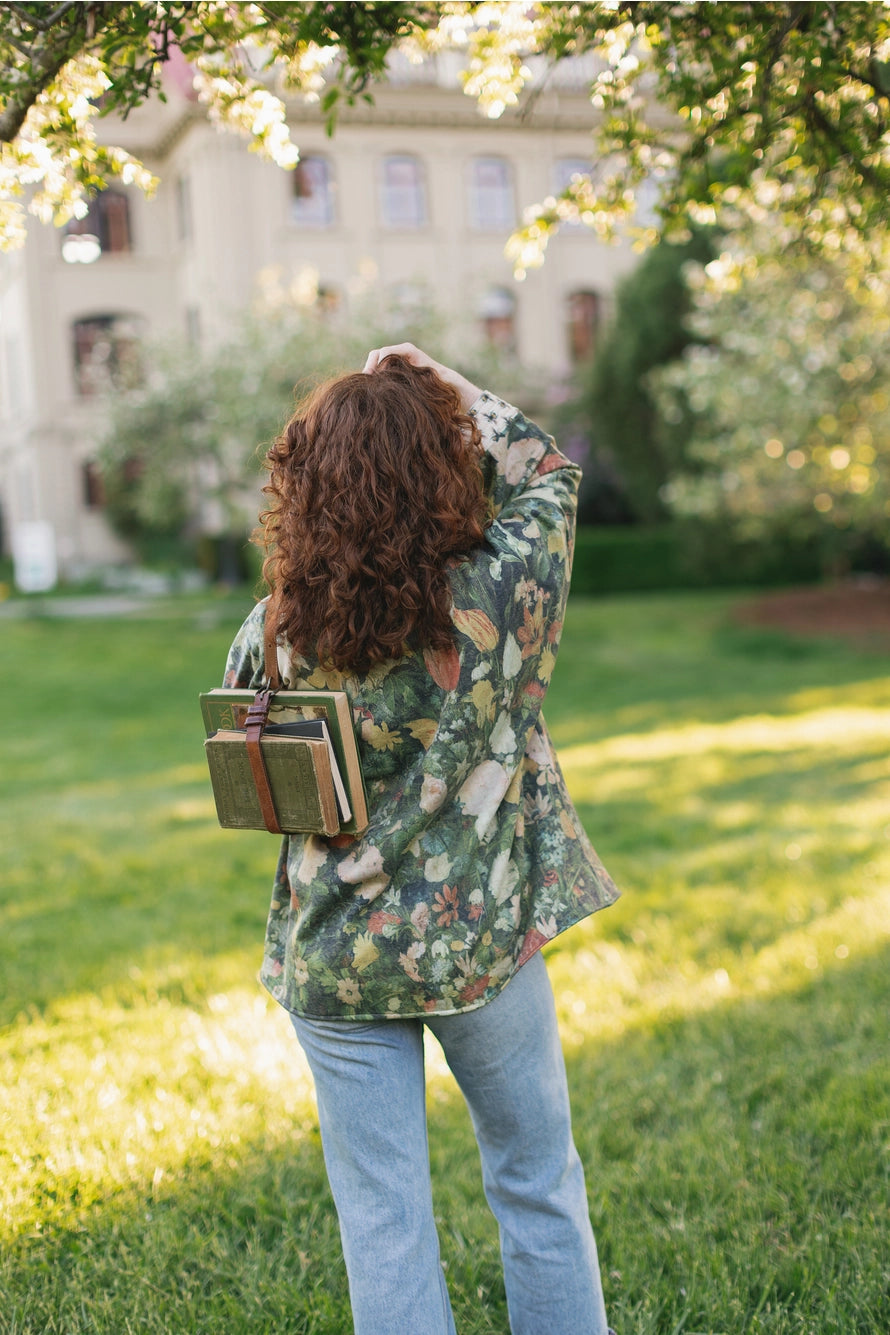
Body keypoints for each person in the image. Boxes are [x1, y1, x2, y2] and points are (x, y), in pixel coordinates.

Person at [223, 344, 620, 1335]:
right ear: (440, 470)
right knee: (534, 1184)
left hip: (336, 957)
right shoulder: (492, 599)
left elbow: (249, 758)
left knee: (381, 1220)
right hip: (481, 944)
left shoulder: (273, 629)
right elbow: (549, 472)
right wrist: (445, 379)